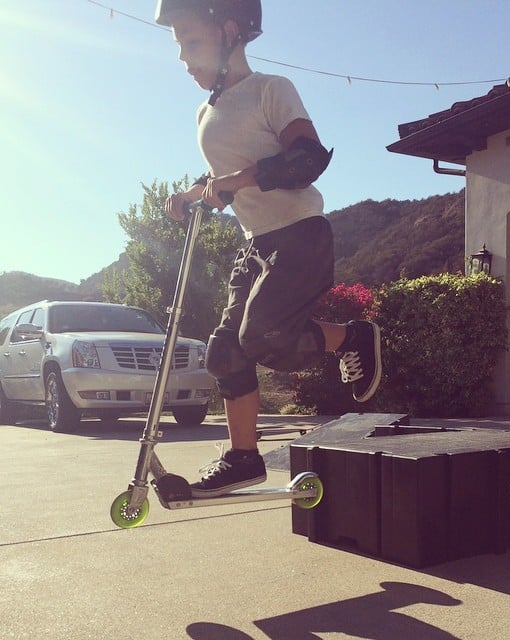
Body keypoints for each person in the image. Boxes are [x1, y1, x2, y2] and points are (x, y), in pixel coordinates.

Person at [155, 0, 382, 497]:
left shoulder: (270, 90)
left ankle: (352, 337)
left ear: (230, 31)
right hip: (255, 245)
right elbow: (225, 176)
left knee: (264, 337)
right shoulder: (205, 112)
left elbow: (307, 158)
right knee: (225, 351)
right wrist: (195, 194)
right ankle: (243, 458)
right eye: (179, 47)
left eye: (192, 42)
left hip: (300, 234)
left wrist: (240, 179)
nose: (183, 58)